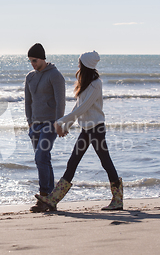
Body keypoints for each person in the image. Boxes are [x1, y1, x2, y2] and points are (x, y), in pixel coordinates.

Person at [35, 51, 123, 211]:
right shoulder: (84, 81)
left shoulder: (96, 83)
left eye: (80, 62)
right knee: (72, 162)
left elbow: (84, 107)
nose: (78, 64)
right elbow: (78, 107)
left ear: (86, 64)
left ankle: (117, 199)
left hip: (96, 129)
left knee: (106, 162)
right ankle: (53, 200)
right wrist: (66, 125)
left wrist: (61, 121)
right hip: (86, 129)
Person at [25, 43, 66, 212]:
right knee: (44, 159)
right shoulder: (30, 77)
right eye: (30, 61)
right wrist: (29, 121)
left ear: (42, 58)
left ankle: (43, 196)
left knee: (41, 157)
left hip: (50, 123)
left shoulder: (55, 75)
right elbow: (28, 100)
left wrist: (59, 122)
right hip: (35, 124)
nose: (33, 64)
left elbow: (60, 101)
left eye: (34, 60)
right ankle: (50, 199)